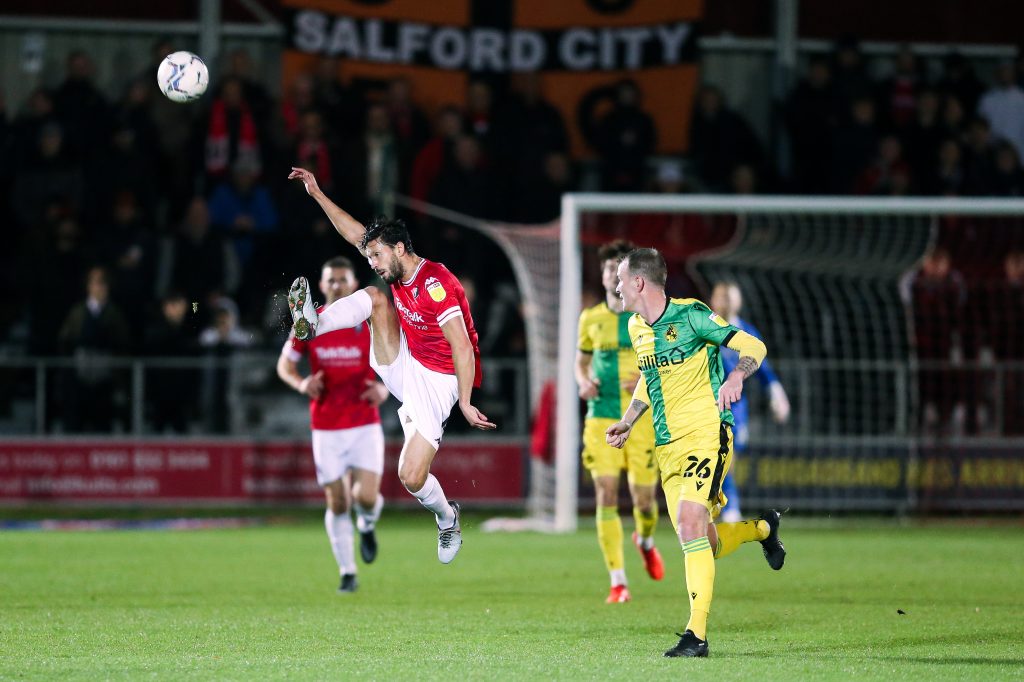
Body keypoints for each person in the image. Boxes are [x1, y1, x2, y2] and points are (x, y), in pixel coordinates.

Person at [286, 166, 495, 565]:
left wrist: (465, 402)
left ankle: (447, 517)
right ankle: (314, 323)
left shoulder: (437, 283)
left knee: (411, 476)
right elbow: (355, 234)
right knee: (374, 298)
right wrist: (316, 193)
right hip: (405, 362)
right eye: (370, 255)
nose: (373, 262)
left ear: (400, 248)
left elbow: (463, 347)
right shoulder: (392, 271)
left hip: (439, 381)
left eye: (378, 255)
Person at [605, 248, 786, 658]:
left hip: (708, 433)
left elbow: (753, 346)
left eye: (620, 279)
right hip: (667, 446)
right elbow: (647, 379)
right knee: (706, 540)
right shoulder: (636, 327)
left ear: (639, 282)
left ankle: (696, 636)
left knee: (689, 525)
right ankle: (763, 529)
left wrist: (736, 375)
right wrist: (629, 420)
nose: (615, 286)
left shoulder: (692, 315)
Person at [277, 256, 389, 593]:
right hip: (326, 426)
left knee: (365, 497)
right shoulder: (308, 324)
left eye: (343, 279)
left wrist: (383, 388)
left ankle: (367, 525)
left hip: (364, 423)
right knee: (338, 502)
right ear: (322, 286)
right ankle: (347, 572)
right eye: (331, 280)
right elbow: (284, 366)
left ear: (355, 283)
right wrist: (301, 384)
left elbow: (397, 362)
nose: (337, 285)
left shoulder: (371, 323)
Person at [575, 240, 664, 604]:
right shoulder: (590, 318)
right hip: (600, 419)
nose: (613, 273)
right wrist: (582, 382)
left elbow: (664, 363)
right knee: (606, 494)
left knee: (644, 502)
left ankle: (644, 540)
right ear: (602, 274)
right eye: (609, 268)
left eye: (619, 268)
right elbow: (580, 362)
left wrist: (644, 378)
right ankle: (618, 581)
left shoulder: (645, 317)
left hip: (640, 419)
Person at [709, 281, 790, 522]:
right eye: (722, 296)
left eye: (731, 297)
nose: (726, 301)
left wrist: (777, 393)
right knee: (714, 458)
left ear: (739, 301)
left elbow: (763, 368)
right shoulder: (706, 328)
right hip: (706, 405)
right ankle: (723, 508)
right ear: (713, 299)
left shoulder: (746, 332)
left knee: (727, 456)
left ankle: (730, 508)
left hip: (736, 409)